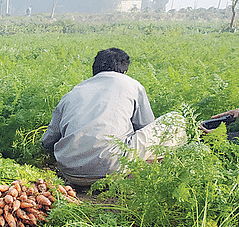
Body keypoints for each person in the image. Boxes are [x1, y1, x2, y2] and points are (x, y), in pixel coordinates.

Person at [41, 47, 187, 187]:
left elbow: (49, 139)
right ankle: (140, 173)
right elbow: (147, 126)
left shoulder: (74, 91)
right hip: (111, 169)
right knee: (175, 120)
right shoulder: (132, 85)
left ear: (95, 71)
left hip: (70, 171)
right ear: (124, 71)